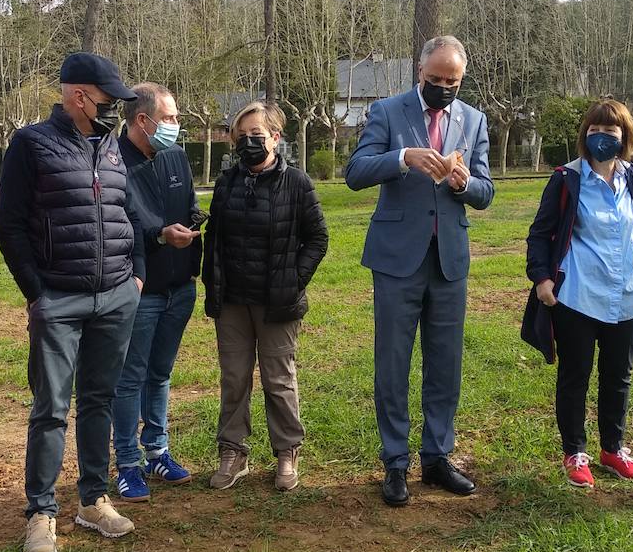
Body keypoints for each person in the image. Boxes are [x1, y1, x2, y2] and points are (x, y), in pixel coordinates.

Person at [0, 52, 146, 552]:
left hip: (117, 295)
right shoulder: (32, 144)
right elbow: (9, 226)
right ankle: (41, 511)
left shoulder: (113, 148)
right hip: (59, 297)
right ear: (78, 96)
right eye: (108, 103)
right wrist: (37, 293)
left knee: (99, 399)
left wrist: (136, 275)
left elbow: (129, 212)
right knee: (51, 408)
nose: (115, 113)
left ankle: (92, 499)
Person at [344, 35, 495, 507]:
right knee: (393, 362)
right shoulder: (387, 112)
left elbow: (487, 192)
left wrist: (465, 182)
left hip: (449, 260)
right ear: (420, 71)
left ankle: (437, 457)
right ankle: (395, 463)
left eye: (452, 81)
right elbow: (355, 172)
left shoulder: (474, 120)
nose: (444, 88)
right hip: (396, 260)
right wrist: (402, 158)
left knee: (445, 363)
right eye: (435, 80)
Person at [523, 100, 633, 488]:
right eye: (594, 131)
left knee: (619, 376)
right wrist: (542, 279)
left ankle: (613, 449)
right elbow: (540, 232)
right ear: (585, 136)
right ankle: (574, 452)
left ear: (624, 138)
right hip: (578, 295)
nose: (602, 138)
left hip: (626, 294)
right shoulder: (567, 178)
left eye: (610, 132)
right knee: (575, 376)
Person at [202, 102, 329, 491]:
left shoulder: (297, 183)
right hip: (233, 302)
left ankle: (287, 451)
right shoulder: (227, 182)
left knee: (279, 379)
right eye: (241, 137)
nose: (248, 143)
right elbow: (216, 239)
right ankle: (232, 450)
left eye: (257, 135)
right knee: (235, 378)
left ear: (276, 137)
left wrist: (293, 280)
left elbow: (318, 238)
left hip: (278, 303)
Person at [111, 82, 201, 502]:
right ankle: (127, 461)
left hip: (180, 286)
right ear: (142, 121)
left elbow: (185, 205)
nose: (176, 125)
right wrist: (159, 235)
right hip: (140, 289)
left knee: (160, 373)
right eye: (169, 118)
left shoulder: (176, 157)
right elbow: (117, 228)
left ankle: (157, 450)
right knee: (130, 377)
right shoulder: (111, 162)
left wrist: (196, 220)